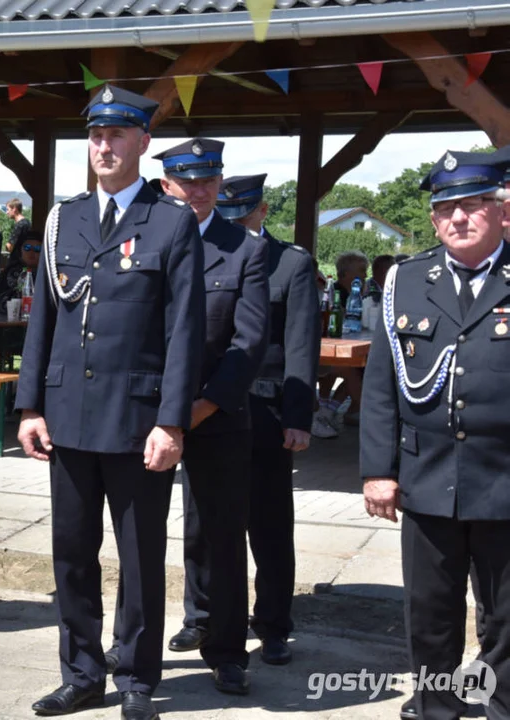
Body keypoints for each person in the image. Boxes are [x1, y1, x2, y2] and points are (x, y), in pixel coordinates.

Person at [16, 84, 205, 720]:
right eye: (96, 135)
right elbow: (42, 320)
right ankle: (81, 672)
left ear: (142, 144)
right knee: (71, 551)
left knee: (140, 555)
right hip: (67, 415)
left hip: (136, 421)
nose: (104, 146)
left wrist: (172, 421)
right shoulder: (62, 220)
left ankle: (137, 675)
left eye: (117, 135)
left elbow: (185, 333)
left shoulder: (172, 221)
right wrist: (29, 407)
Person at [361, 149, 510, 720]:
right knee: (429, 612)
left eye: (473, 205)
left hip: (503, 481)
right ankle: (435, 707)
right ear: (433, 220)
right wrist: (378, 471)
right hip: (427, 479)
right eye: (446, 208)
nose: (459, 218)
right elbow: (379, 389)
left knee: (504, 616)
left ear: (500, 212)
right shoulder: (406, 281)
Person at [155, 139, 269, 696]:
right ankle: (136, 643)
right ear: (165, 185)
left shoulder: (244, 249)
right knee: (140, 536)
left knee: (221, 536)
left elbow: (248, 343)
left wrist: (197, 410)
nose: (197, 189)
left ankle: (226, 651)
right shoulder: (142, 239)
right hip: (150, 414)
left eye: (208, 178)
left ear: (220, 183)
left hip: (217, 414)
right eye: (185, 179)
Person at [217, 173, 320, 665]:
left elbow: (302, 345)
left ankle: (274, 624)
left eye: (242, 214)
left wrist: (298, 416)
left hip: (266, 409)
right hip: (212, 408)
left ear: (261, 211)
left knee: (270, 526)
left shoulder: (290, 264)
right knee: (206, 523)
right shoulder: (201, 254)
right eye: (226, 215)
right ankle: (204, 615)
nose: (234, 223)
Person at [317, 250, 368, 428]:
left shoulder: (358, 295)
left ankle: (328, 411)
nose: (365, 275)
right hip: (321, 353)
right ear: (344, 274)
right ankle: (369, 414)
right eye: (361, 270)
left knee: (358, 367)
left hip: (339, 350)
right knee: (351, 368)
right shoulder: (333, 294)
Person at [5, 198, 31, 263]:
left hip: (17, 262)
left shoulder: (19, 225)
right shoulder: (28, 223)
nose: (7, 212)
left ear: (14, 209)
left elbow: (9, 247)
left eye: (8, 209)